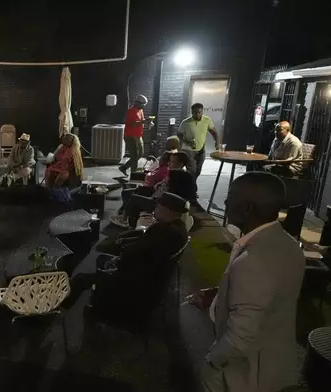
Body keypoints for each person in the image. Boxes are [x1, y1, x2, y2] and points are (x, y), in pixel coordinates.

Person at [187, 172, 304, 392]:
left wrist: (213, 360)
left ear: (248, 208)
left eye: (231, 196)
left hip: (244, 376)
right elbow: (268, 295)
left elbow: (240, 337)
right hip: (276, 364)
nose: (225, 201)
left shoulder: (253, 261)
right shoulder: (290, 245)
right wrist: (222, 293)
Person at [114, 151, 193, 228]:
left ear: (181, 164)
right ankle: (127, 216)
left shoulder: (179, 177)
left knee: (134, 198)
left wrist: (159, 190)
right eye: (170, 161)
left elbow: (171, 192)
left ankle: (124, 220)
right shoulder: (173, 173)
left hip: (158, 202)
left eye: (172, 162)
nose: (169, 163)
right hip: (155, 195)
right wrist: (159, 185)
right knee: (132, 192)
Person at [178, 103, 220, 187]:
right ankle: (191, 190)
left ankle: (189, 186)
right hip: (188, 150)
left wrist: (217, 142)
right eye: (195, 112)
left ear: (202, 111)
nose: (197, 114)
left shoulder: (207, 120)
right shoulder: (186, 122)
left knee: (198, 171)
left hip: (201, 150)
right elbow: (179, 135)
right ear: (192, 112)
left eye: (199, 112)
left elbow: (214, 132)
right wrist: (184, 143)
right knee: (192, 171)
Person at [119, 95, 154, 176]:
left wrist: (149, 122)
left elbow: (142, 120)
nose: (143, 106)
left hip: (138, 135)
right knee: (135, 155)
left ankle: (124, 167)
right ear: (137, 103)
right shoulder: (131, 111)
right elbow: (133, 124)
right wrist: (145, 121)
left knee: (140, 154)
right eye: (142, 104)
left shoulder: (140, 110)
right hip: (130, 136)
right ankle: (134, 174)